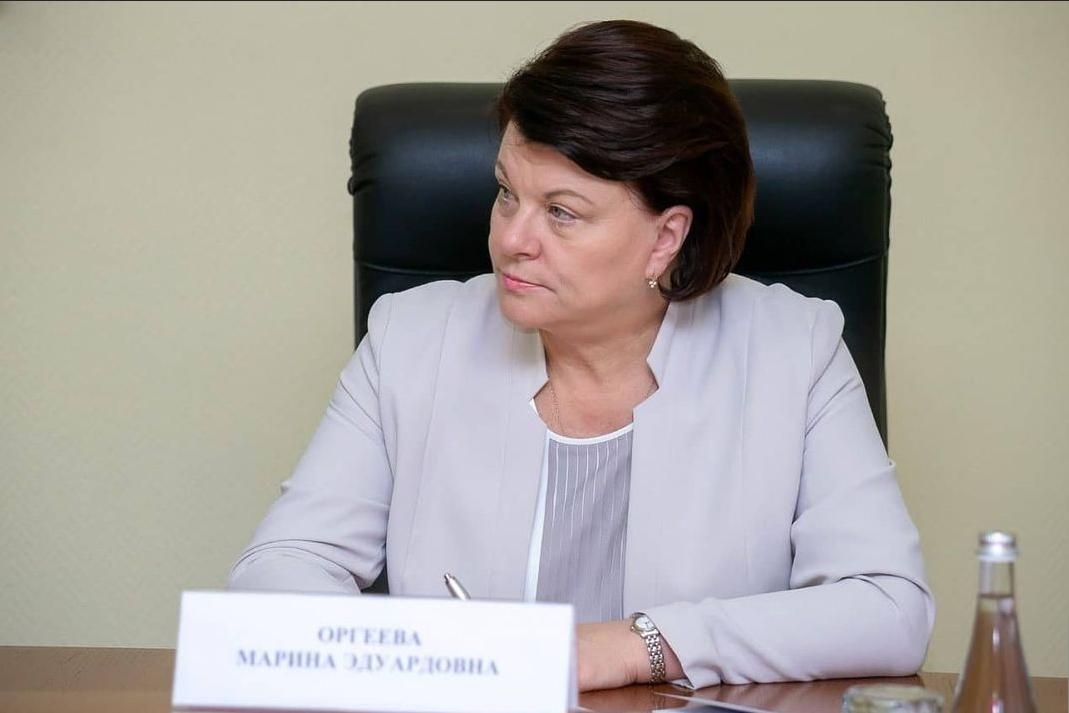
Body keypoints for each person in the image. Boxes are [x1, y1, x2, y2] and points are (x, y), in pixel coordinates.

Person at [229, 19, 934, 692]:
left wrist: (633, 646)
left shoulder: (794, 351)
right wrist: (422, 658)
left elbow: (888, 608)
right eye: (507, 194)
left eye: (562, 212)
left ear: (666, 238)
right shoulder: (410, 339)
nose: (512, 239)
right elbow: (277, 569)